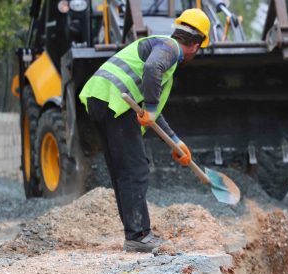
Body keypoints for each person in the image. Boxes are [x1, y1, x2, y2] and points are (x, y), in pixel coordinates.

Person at [78, 9, 210, 252]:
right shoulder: (169, 48)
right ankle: (139, 236)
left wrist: (175, 140)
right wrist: (149, 107)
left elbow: (154, 113)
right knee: (135, 168)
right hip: (116, 102)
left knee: (123, 170)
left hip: (100, 99)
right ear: (196, 44)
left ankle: (135, 234)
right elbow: (152, 70)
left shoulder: (162, 47)